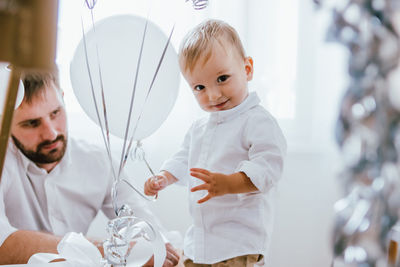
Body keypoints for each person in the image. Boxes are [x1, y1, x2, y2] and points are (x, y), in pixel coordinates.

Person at [144, 19, 287, 266]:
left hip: (239, 243)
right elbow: (182, 158)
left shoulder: (257, 121)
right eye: (199, 87)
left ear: (247, 68)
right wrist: (165, 177)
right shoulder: (200, 127)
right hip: (200, 243)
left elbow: (268, 168)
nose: (213, 95)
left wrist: (229, 183)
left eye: (222, 78)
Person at [0, 70, 180, 266]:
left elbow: (150, 232)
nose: (51, 133)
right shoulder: (3, 163)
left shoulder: (100, 161)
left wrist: (160, 248)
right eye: (31, 123)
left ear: (62, 98)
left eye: (55, 113)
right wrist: (112, 249)